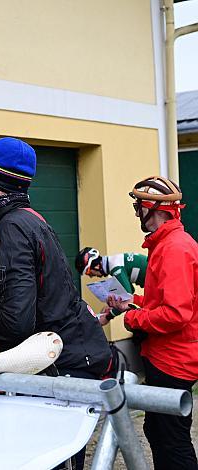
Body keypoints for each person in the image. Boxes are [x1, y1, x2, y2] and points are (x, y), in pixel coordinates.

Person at [0, 137, 111, 467]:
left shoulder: (11, 227)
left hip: (62, 364)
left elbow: (18, 320)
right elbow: (35, 293)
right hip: (73, 355)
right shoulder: (30, 218)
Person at [107, 176, 198, 470]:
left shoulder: (174, 249)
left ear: (152, 208)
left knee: (172, 439)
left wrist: (133, 318)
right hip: (167, 356)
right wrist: (132, 301)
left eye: (137, 206)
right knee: (158, 432)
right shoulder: (167, 244)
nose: (136, 213)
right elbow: (167, 302)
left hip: (174, 360)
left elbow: (175, 314)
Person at [75, 247, 147, 294]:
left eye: (88, 272)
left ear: (96, 266)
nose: (91, 276)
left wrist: (109, 315)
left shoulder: (115, 267)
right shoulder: (113, 263)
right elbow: (130, 290)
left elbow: (128, 296)